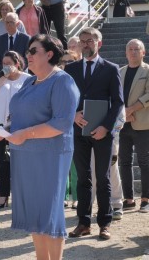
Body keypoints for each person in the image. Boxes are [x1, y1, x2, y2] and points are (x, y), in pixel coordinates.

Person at [0, 34, 79, 259]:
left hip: (50, 155)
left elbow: (61, 123)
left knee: (49, 212)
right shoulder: (30, 81)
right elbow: (21, 114)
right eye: (28, 51)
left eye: (33, 51)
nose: (27, 55)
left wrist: (24, 134)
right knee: (34, 213)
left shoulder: (62, 81)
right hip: (25, 154)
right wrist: (7, 132)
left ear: (49, 54)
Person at [65, 27, 124, 240]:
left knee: (103, 178)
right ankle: (83, 223)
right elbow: (64, 100)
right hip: (78, 132)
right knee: (83, 179)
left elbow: (118, 102)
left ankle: (104, 223)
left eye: (89, 40)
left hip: (102, 132)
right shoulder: (70, 69)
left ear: (99, 43)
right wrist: (72, 115)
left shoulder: (111, 68)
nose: (85, 44)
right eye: (82, 41)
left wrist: (106, 127)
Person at [0, 51, 30, 208]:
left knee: (21, 163)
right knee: (2, 162)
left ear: (17, 63)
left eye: (9, 63)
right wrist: (1, 80)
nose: (5, 66)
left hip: (20, 126)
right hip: (0, 127)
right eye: (3, 63)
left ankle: (21, 196)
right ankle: (3, 195)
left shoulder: (28, 78)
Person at [118, 39, 149, 213]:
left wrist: (129, 110)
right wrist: (123, 113)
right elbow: (115, 95)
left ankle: (146, 199)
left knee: (144, 161)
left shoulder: (147, 70)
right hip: (124, 124)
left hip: (142, 123)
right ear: (126, 52)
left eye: (137, 49)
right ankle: (128, 199)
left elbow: (148, 95)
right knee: (124, 162)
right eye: (130, 49)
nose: (133, 52)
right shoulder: (120, 71)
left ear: (143, 52)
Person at [59, 50, 80, 209]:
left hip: (79, 124)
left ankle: (77, 197)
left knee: (77, 163)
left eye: (71, 61)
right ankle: (64, 196)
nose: (67, 64)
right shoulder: (57, 79)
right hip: (60, 125)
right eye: (64, 61)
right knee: (63, 163)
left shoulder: (81, 78)